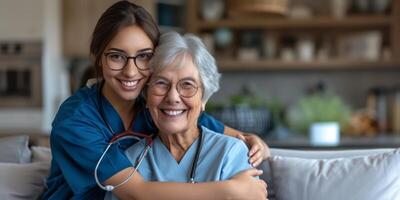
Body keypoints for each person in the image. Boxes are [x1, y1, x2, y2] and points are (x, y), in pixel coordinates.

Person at [43, 1, 268, 199]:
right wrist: (230, 191)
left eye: (144, 56)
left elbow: (204, 123)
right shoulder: (76, 119)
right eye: (116, 56)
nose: (131, 72)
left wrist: (253, 140)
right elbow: (135, 193)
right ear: (98, 59)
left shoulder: (154, 106)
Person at [105, 31, 267, 200]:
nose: (173, 97)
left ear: (204, 98)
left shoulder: (231, 153)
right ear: (146, 95)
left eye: (187, 85)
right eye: (161, 83)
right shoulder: (131, 161)